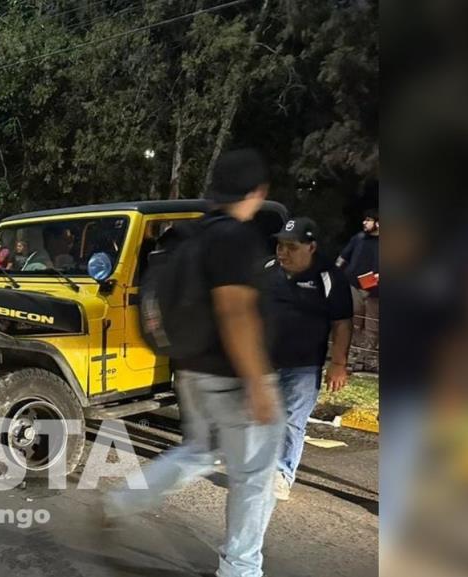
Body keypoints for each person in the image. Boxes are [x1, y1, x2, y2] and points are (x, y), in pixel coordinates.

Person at [103, 149, 284, 577]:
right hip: (233, 377)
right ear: (257, 192)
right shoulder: (236, 238)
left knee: (200, 452)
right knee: (254, 477)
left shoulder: (190, 234)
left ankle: (123, 500)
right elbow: (235, 312)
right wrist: (258, 382)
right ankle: (241, 569)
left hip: (191, 371)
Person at [266, 217, 353, 500]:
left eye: (291, 247)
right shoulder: (267, 271)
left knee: (292, 421)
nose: (283, 252)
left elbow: (342, 322)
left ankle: (281, 474)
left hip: (303, 365)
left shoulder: (329, 277)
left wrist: (338, 363)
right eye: (280, 245)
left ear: (311, 247)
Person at [336, 209, 379, 371]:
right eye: (365, 219)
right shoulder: (358, 238)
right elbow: (343, 257)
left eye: (368, 220)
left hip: (376, 292)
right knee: (354, 322)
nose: (364, 223)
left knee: (372, 327)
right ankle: (352, 356)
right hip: (354, 285)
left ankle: (366, 359)